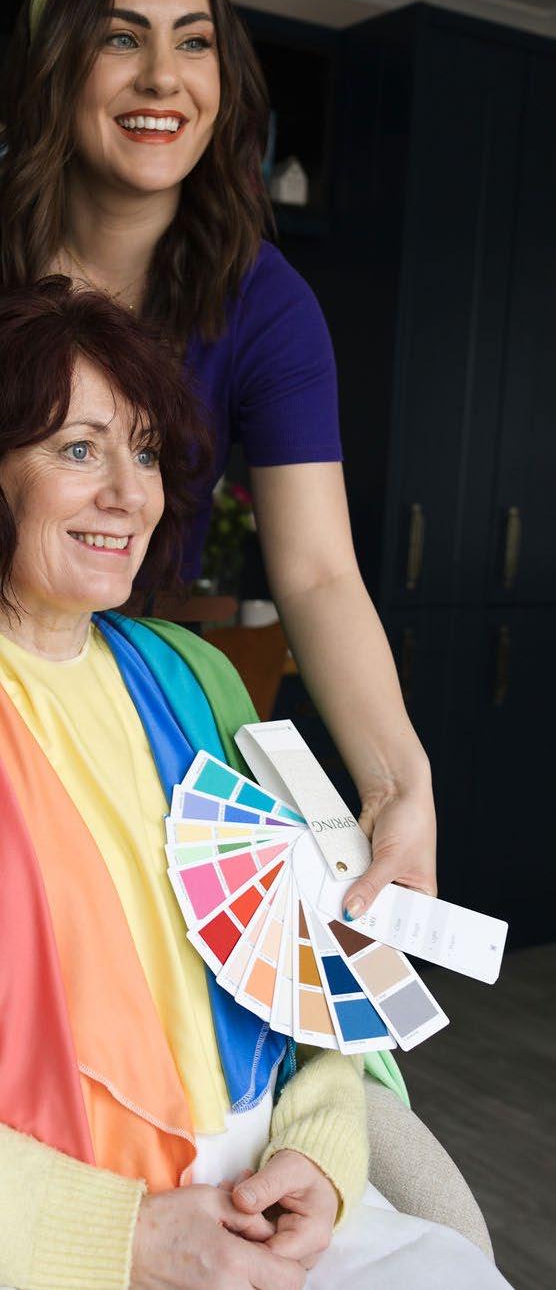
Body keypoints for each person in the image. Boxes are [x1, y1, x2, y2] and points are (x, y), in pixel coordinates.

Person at [0, 280, 512, 1290]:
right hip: (66, 1237)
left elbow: (306, 970)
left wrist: (318, 1151)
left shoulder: (198, 682)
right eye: (79, 449)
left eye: (146, 451)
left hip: (271, 1215)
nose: (129, 493)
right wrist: (125, 1238)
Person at [0, 0, 435, 924]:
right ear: (58, 65)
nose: (163, 77)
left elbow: (318, 570)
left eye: (193, 42)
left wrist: (397, 778)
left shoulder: (265, 304)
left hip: (118, 712)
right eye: (121, 37)